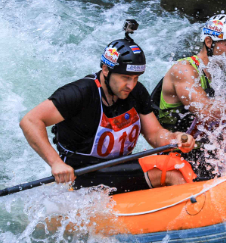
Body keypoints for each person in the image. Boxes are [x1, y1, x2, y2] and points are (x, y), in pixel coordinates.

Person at [20, 20, 196, 194]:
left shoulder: (136, 92)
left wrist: (175, 137)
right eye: (125, 77)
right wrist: (56, 163)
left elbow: (155, 134)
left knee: (176, 159)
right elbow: (30, 121)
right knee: (174, 170)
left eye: (136, 78)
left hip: (117, 166)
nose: (131, 85)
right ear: (105, 69)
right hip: (82, 173)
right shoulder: (79, 93)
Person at [150, 14, 226, 178]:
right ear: (209, 42)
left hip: (205, 149)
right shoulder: (184, 70)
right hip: (177, 153)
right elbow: (206, 113)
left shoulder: (217, 74)